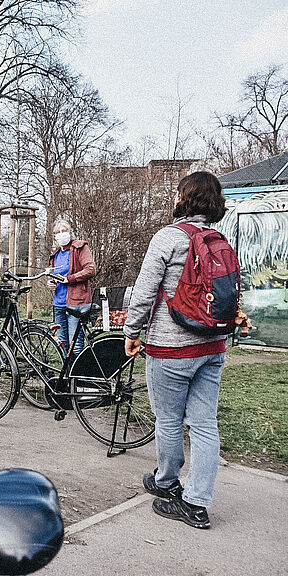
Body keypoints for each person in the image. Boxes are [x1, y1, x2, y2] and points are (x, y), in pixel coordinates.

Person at [124, 171, 229, 530]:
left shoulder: (168, 237)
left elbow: (144, 289)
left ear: (183, 197)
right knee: (204, 425)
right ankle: (197, 504)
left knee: (168, 421)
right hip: (213, 346)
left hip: (171, 348)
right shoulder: (219, 238)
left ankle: (167, 483)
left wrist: (131, 331)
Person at [48, 219, 96, 358]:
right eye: (58, 232)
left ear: (70, 232)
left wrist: (70, 279)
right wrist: (51, 282)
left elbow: (90, 269)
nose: (61, 234)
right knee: (62, 343)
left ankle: (79, 377)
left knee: (75, 346)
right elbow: (54, 275)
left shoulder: (80, 248)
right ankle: (67, 376)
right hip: (59, 303)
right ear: (54, 236)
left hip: (77, 303)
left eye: (64, 231)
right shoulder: (55, 253)